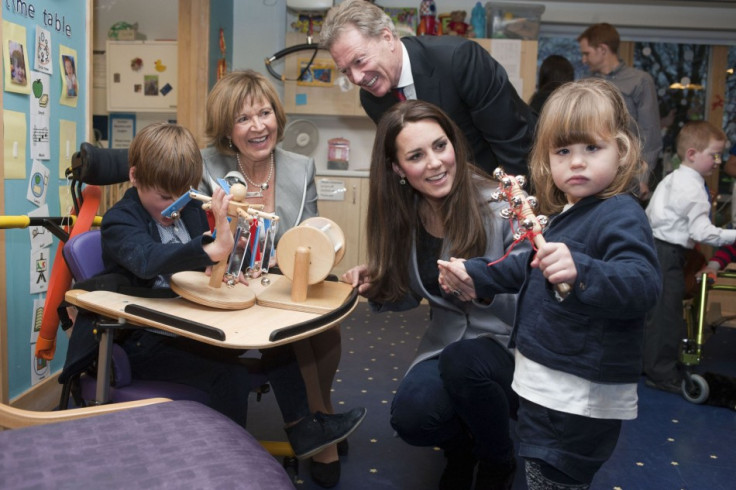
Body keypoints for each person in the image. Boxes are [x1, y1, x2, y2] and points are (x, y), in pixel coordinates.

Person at [100, 122, 365, 472]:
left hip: (194, 324)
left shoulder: (188, 208)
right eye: (164, 198)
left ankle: (304, 431)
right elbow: (148, 261)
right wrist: (209, 249)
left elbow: (203, 262)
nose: (172, 209)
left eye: (180, 197)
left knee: (277, 341)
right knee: (233, 376)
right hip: (149, 341)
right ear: (134, 177)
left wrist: (226, 254)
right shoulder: (119, 221)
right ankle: (230, 469)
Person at [437, 78, 661, 489]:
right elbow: (525, 266)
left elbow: (643, 283)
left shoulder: (620, 213)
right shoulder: (566, 214)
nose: (576, 162)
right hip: (548, 385)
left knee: (554, 477)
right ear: (547, 160)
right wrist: (476, 272)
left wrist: (583, 270)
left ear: (622, 151)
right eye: (563, 151)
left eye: (592, 148)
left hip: (578, 397)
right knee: (539, 472)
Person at [341, 100, 522, 490]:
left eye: (441, 146)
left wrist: (484, 289)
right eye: (416, 156)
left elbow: (534, 291)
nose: (436, 163)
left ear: (454, 143)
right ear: (397, 168)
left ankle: (498, 458)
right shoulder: (407, 214)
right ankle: (463, 450)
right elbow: (412, 294)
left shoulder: (502, 204)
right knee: (412, 417)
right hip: (444, 347)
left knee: (464, 365)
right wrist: (381, 283)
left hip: (509, 350)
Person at [199, 69, 358, 488]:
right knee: (290, 332)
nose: (258, 126)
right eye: (244, 118)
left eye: (264, 113)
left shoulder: (300, 167)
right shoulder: (205, 166)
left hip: (282, 279)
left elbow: (308, 232)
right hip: (227, 283)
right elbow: (198, 236)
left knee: (324, 326)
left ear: (277, 116)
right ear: (226, 129)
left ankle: (319, 413)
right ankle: (318, 431)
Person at [320, 0, 536, 178]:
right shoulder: (371, 100)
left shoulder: (458, 60)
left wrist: (517, 208)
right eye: (346, 71)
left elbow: (512, 143)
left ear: (386, 38)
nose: (356, 78)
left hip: (500, 185)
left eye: (359, 61)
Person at [643, 121, 733, 393]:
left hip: (653, 247)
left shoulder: (673, 177)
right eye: (714, 155)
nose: (718, 162)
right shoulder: (694, 189)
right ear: (692, 154)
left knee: (654, 314)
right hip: (668, 254)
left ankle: (648, 363)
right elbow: (703, 233)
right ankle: (662, 374)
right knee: (667, 316)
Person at [578, 23, 662, 200]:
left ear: (602, 49)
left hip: (627, 177)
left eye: (586, 53)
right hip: (591, 173)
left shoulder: (640, 81)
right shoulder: (585, 84)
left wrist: (642, 178)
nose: (583, 59)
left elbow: (650, 134)